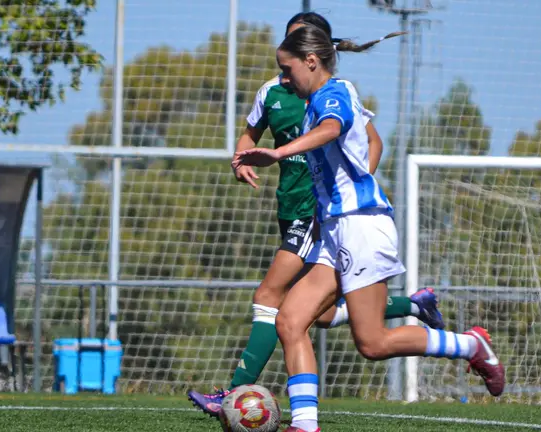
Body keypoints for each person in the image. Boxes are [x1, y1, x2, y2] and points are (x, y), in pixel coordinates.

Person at [233, 24, 505, 432]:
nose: (284, 79)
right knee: (290, 321)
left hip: (360, 227)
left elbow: (332, 128)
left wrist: (279, 152)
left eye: (288, 70)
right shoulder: (312, 101)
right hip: (334, 230)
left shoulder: (334, 93)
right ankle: (304, 425)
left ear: (311, 61)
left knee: (373, 343)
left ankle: (470, 345)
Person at [187, 12, 445, 418]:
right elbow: (250, 134)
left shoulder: (332, 93)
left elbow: (370, 141)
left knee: (269, 296)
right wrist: (240, 160)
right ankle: (413, 306)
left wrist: (348, 192)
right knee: (320, 314)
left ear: (314, 54)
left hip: (316, 211)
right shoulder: (272, 91)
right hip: (289, 206)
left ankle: (234, 393)